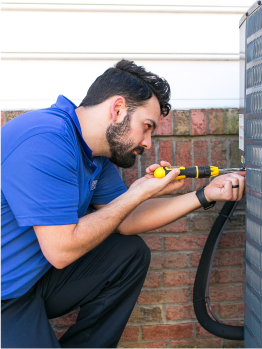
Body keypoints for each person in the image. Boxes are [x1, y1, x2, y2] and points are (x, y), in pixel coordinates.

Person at [1, 59, 245, 348]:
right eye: (146, 127)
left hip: (33, 280)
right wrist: (135, 194)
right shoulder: (45, 139)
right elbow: (61, 250)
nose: (148, 143)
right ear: (117, 109)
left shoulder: (94, 155)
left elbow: (125, 220)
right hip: (6, 294)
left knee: (129, 254)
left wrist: (205, 195)